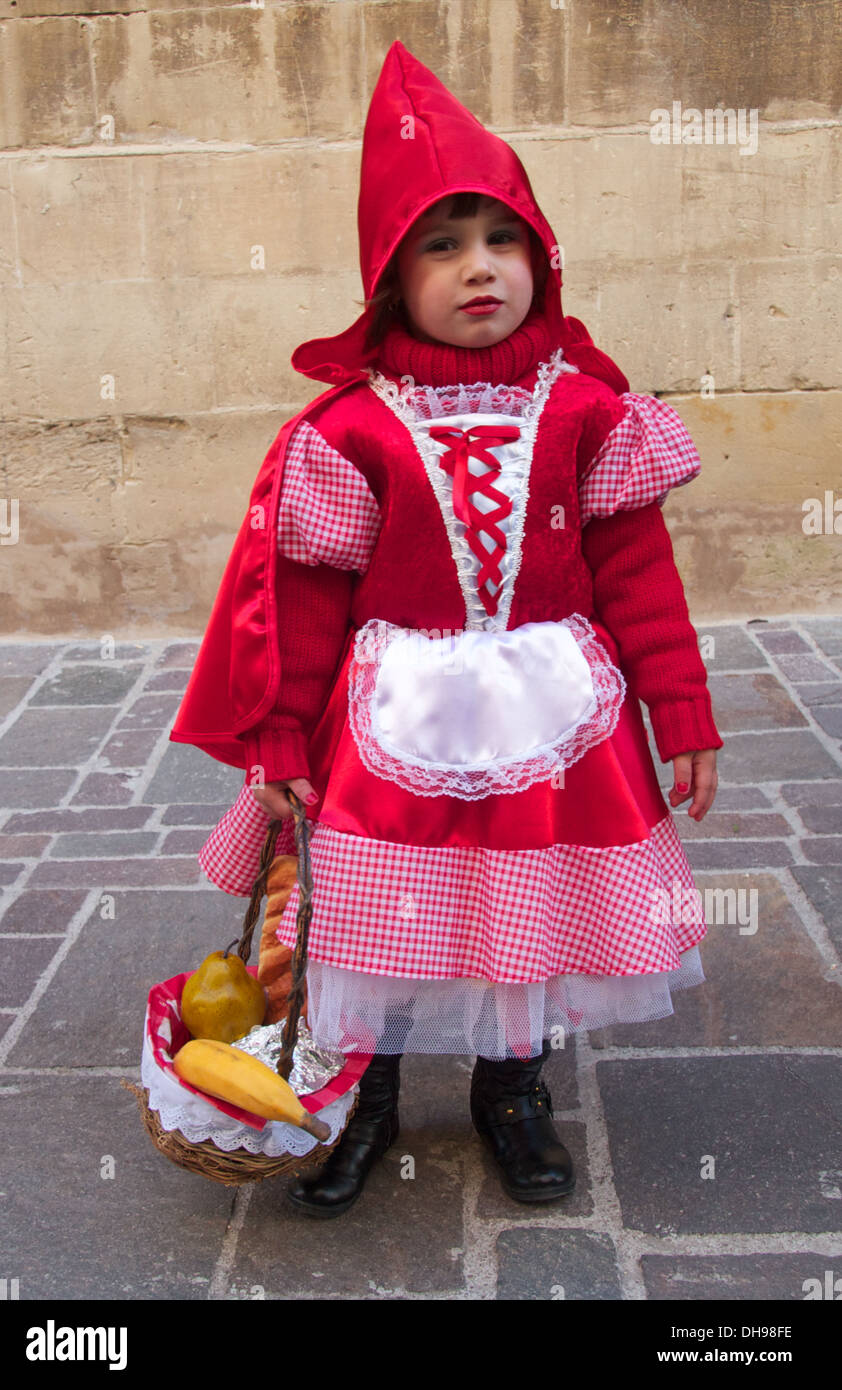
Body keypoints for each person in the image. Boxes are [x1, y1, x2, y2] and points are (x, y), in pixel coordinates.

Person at [169, 40, 722, 1217]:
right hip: (388, 722)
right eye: (442, 244)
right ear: (389, 275)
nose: (480, 269)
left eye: (501, 238)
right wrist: (275, 738)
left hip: (554, 723)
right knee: (371, 908)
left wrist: (678, 708)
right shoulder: (354, 431)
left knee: (522, 909)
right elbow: (302, 598)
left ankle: (510, 1088)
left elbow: (637, 572)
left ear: (539, 255)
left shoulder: (583, 411)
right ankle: (361, 1090)